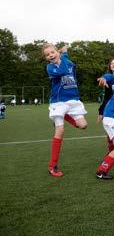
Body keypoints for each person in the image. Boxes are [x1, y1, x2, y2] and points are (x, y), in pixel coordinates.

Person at [43, 44, 88, 177]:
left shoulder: (67, 61)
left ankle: (63, 116)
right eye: (47, 55)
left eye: (52, 52)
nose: (50, 55)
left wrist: (65, 53)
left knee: (83, 125)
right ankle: (53, 166)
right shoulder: (50, 67)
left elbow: (71, 65)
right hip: (59, 102)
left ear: (57, 51)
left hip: (73, 101)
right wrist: (62, 55)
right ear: (46, 58)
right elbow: (63, 70)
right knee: (60, 131)